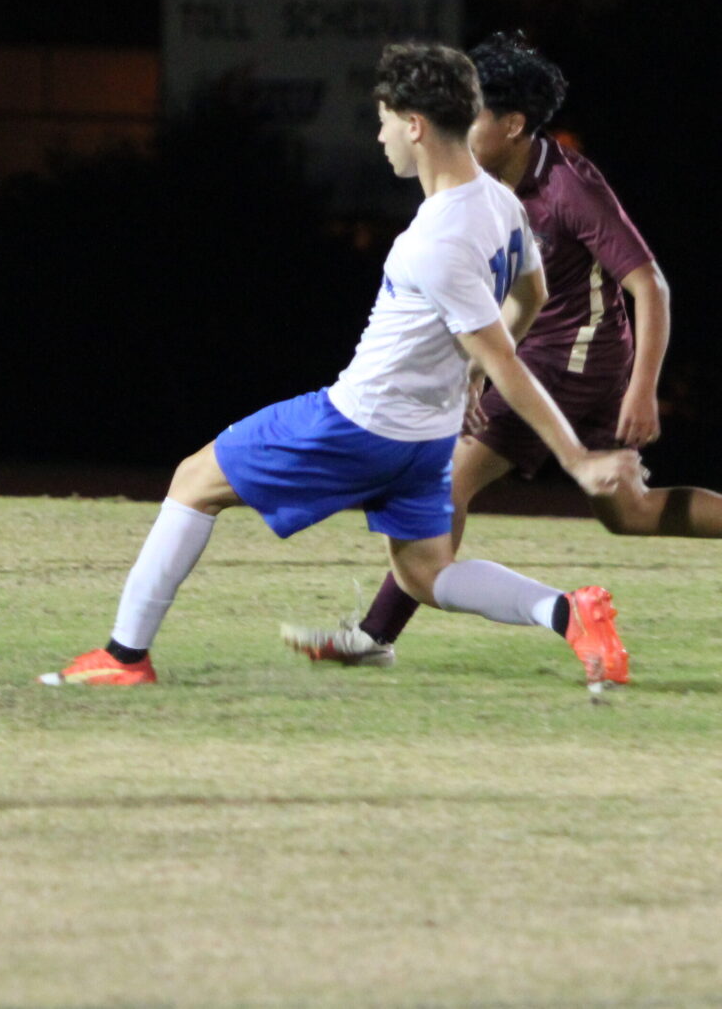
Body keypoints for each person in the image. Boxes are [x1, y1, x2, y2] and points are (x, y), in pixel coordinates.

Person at [40, 43, 642, 691]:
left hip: (359, 424)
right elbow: (533, 294)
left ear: (415, 124)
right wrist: (469, 377)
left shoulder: (434, 237)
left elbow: (506, 358)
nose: (379, 135)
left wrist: (576, 457)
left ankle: (123, 656)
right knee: (425, 572)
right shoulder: (499, 202)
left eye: (383, 119)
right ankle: (568, 611)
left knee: (192, 480)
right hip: (427, 440)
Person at [282, 33, 722, 670]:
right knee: (628, 512)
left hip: (571, 368)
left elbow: (650, 286)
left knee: (448, 479)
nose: (458, 128)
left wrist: (643, 388)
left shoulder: (569, 187)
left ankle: (375, 635)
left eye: (473, 115)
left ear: (514, 123)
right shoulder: (481, 186)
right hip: (543, 359)